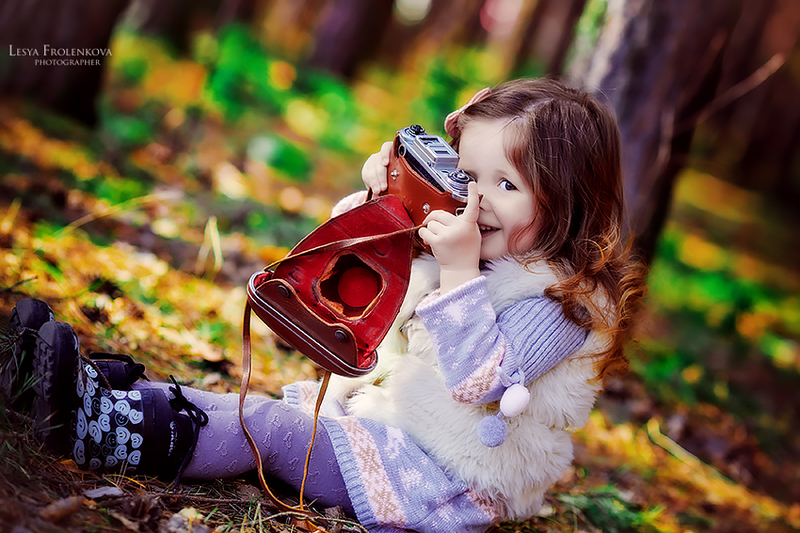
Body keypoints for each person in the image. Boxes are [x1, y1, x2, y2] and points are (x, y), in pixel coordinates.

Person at [2, 77, 644, 532]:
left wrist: (454, 270)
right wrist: (385, 205)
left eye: (506, 184)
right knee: (239, 408)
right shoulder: (472, 247)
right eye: (467, 176)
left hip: (442, 478)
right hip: (386, 429)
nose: (476, 201)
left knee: (271, 431)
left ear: (568, 203)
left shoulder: (561, 301)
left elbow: (479, 380)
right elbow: (355, 279)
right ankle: (90, 393)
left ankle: (99, 431)